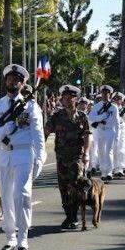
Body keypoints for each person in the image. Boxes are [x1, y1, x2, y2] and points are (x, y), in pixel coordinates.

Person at [0, 64, 46, 250]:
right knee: (6, 197)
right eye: (9, 79)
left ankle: (23, 238)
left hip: (24, 155)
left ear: (23, 83)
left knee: (22, 195)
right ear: (6, 81)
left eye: (17, 79)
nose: (13, 82)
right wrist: (2, 131)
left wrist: (40, 158)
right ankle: (10, 237)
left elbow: (38, 135)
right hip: (4, 155)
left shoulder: (31, 107)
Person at [44, 85, 90, 230]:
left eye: (70, 98)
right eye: (64, 98)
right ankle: (69, 215)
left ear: (76, 99)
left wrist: (86, 153)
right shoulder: (57, 116)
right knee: (63, 187)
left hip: (76, 157)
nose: (67, 100)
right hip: (61, 158)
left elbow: (87, 135)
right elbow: (45, 132)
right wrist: (39, 149)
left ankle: (74, 216)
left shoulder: (82, 116)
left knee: (75, 186)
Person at [88, 85, 118, 182]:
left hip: (110, 130)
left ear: (110, 94)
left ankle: (109, 171)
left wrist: (117, 135)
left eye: (107, 93)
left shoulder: (114, 107)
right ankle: (103, 171)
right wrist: (102, 116)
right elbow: (91, 117)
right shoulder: (97, 106)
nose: (105, 94)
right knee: (101, 151)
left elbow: (117, 122)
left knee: (108, 151)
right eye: (103, 93)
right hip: (100, 130)